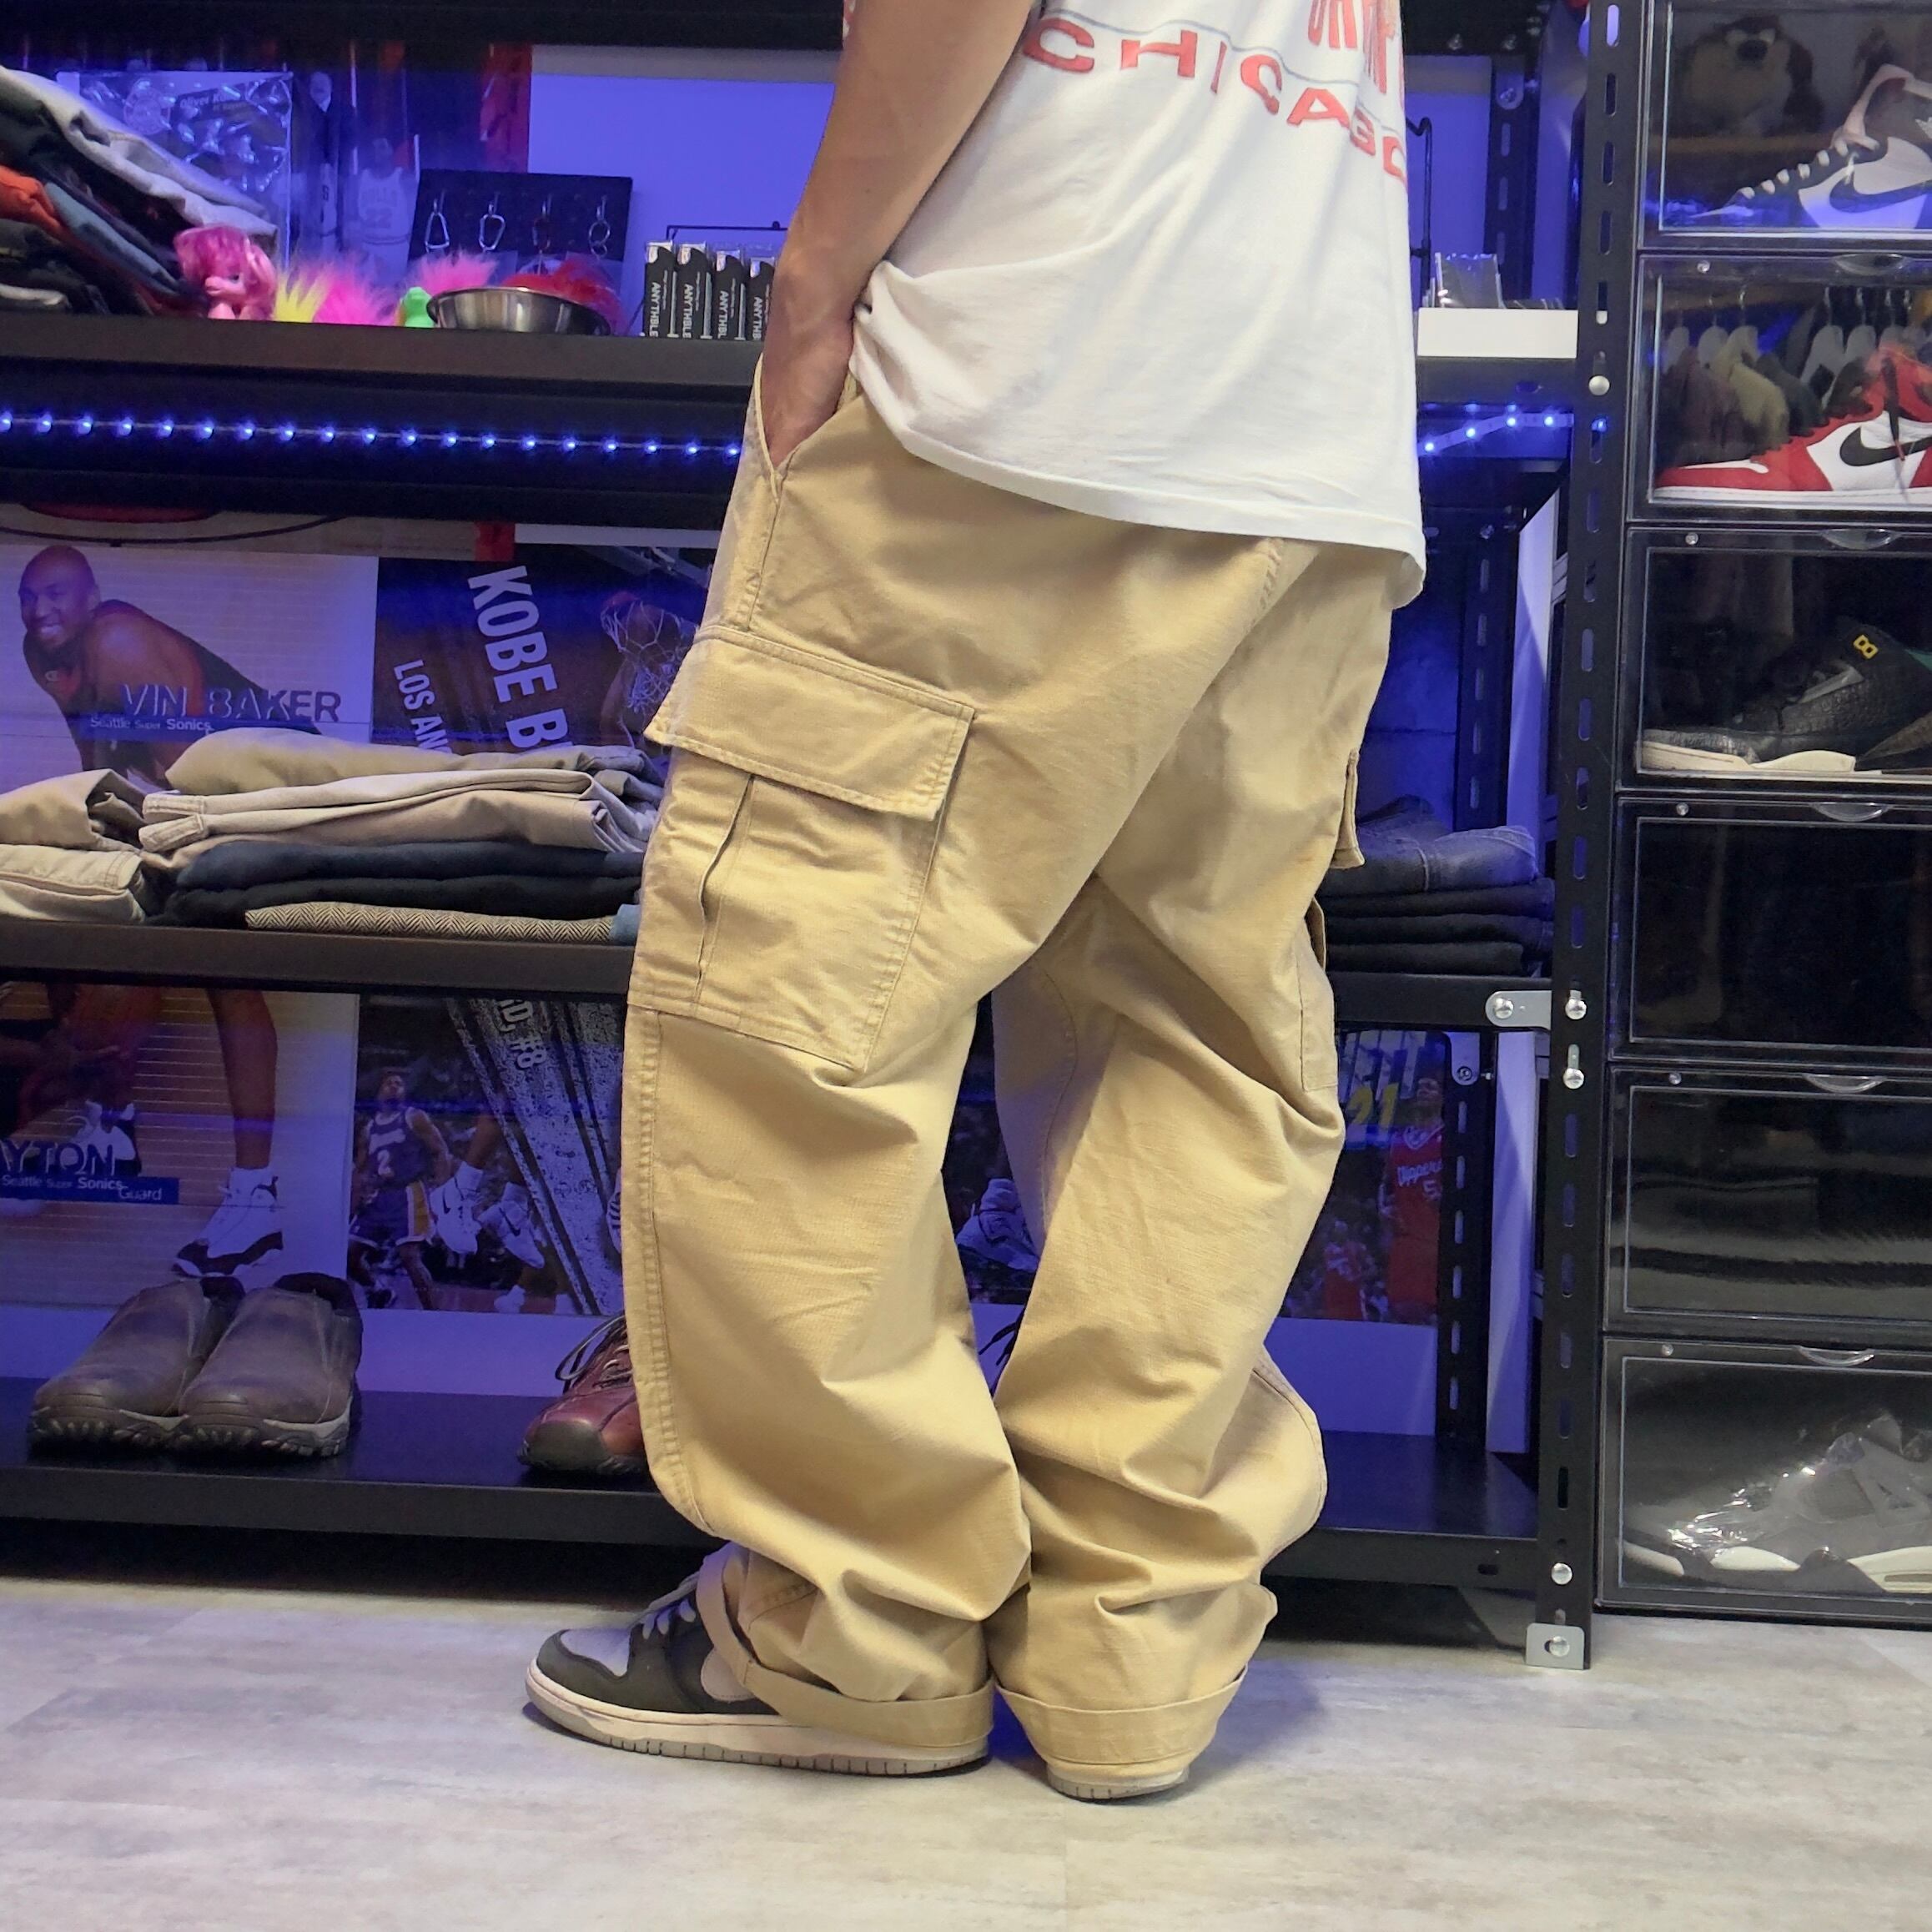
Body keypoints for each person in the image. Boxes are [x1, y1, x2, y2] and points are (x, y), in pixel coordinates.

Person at [528, 0, 1422, 1801]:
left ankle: (855, 1632)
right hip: (1312, 430)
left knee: (800, 1008)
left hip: (1025, 374)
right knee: (1193, 1038)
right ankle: (1130, 1649)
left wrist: (812, 285)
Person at [15, 543, 288, 1276]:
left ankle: (256, 1197)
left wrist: (181, 868)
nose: (40, 610)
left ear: (91, 596)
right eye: (28, 597)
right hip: (196, 791)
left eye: (57, 594)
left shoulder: (119, 643)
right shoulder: (46, 654)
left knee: (226, 967)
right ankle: (113, 1129)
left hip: (269, 792)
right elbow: (99, 762)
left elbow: (200, 775)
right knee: (93, 918)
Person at [348, 1070, 452, 1311]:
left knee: (409, 1256)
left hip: (408, 1192)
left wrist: (442, 1191)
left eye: (399, 1083)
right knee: (349, 1255)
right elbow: (361, 1169)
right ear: (379, 1092)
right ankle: (378, 1290)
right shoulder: (369, 1128)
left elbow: (440, 1151)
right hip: (378, 1196)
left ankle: (435, 1315)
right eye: (389, 1083)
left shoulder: (414, 1117)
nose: (395, 1086)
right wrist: (356, 1198)